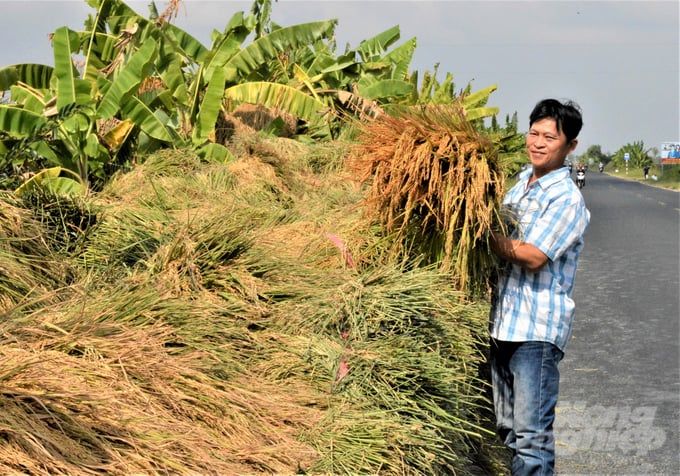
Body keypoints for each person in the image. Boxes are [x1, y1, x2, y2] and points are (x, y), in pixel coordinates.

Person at [488, 98, 590, 475]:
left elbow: (533, 256)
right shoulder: (516, 189)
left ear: (570, 146)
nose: (539, 142)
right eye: (534, 132)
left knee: (531, 438)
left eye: (550, 136)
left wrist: (478, 235)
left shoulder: (567, 199)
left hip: (536, 333)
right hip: (501, 326)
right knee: (507, 431)